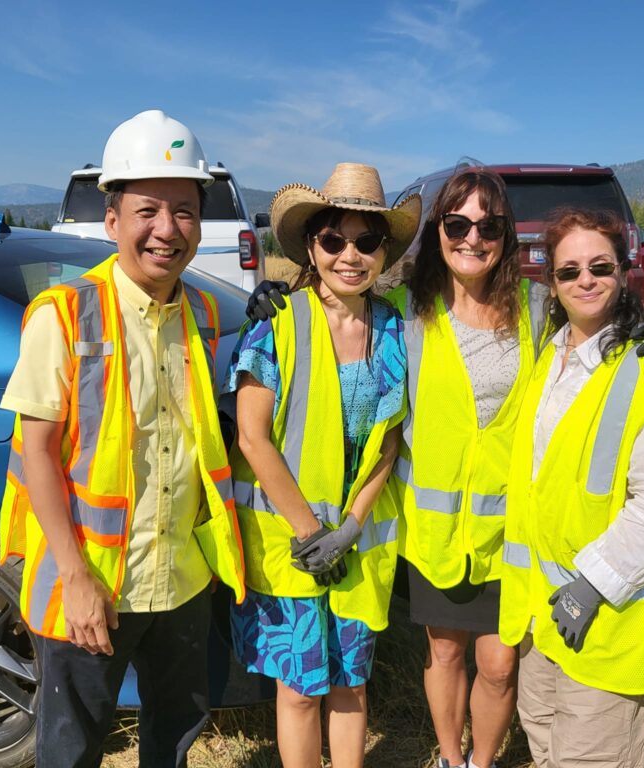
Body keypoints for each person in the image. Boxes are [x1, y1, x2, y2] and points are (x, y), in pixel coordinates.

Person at [247, 168, 644, 768]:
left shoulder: (535, 309)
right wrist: (271, 298)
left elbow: (596, 321)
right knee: (445, 657)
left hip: (512, 536)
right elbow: (338, 312)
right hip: (435, 537)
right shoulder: (404, 309)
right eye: (456, 224)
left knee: (500, 665)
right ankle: (451, 758)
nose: (472, 238)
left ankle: (482, 761)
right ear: (438, 232)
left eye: (488, 225)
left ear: (506, 236)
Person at [0, 109, 245, 768]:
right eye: (147, 211)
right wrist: (75, 578)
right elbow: (37, 452)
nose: (167, 230)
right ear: (112, 221)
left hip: (183, 580)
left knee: (175, 735)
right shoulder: (64, 314)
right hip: (97, 585)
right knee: (73, 743)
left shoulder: (202, 312)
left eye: (185, 211)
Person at [225, 163, 419, 768]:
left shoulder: (395, 328)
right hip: (293, 545)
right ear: (311, 245)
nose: (350, 256)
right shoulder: (277, 324)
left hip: (356, 547)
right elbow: (254, 440)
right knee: (301, 689)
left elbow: (391, 438)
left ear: (384, 251)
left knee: (351, 684)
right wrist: (313, 534)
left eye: (366, 241)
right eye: (334, 240)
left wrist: (354, 524)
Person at [499, 207, 644, 768]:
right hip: (547, 619)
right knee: (545, 740)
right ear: (551, 286)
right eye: (569, 271)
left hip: (610, 622)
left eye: (600, 267)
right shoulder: (551, 358)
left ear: (624, 273)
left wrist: (593, 586)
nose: (585, 280)